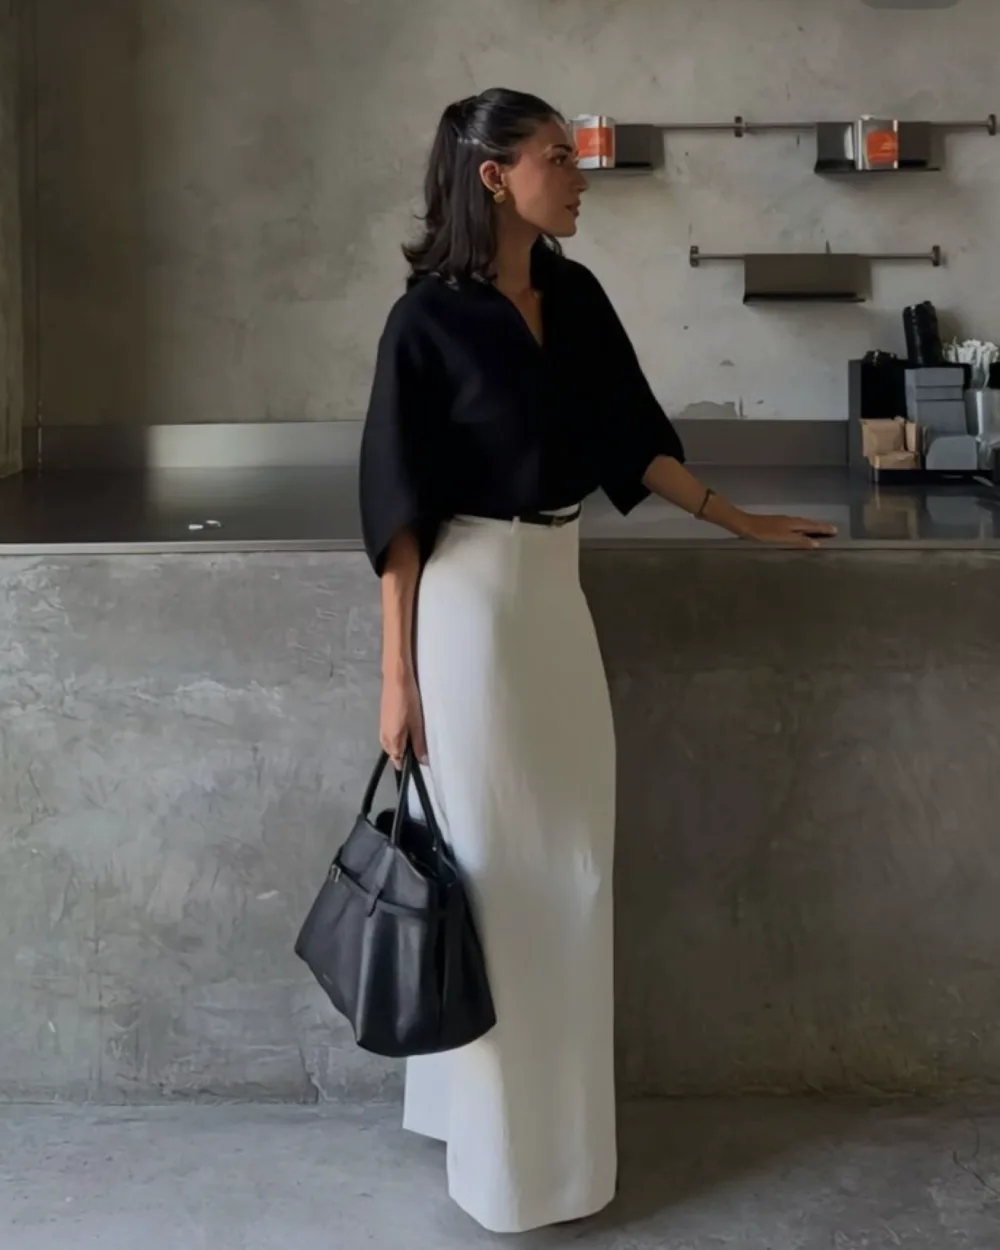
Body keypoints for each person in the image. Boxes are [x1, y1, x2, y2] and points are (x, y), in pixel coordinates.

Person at [358, 87, 836, 1235]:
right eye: (557, 157)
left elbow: (632, 434)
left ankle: (549, 1145)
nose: (579, 177)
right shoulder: (424, 321)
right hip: (468, 607)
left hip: (555, 597)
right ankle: (504, 1169)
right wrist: (397, 678)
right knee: (499, 877)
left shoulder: (572, 296)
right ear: (493, 177)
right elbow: (396, 508)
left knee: (569, 870)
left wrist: (736, 517)